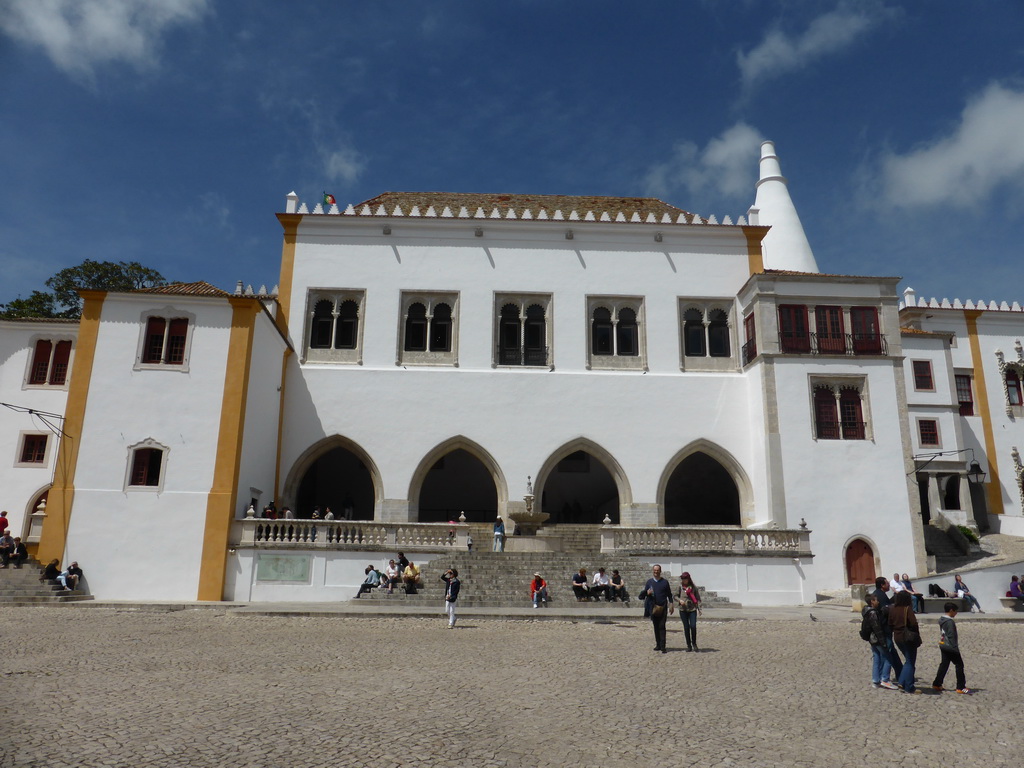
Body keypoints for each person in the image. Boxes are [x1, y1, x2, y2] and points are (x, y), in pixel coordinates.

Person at [860, 591, 901, 689]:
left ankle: (876, 680)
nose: (878, 602)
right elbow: (877, 629)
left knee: (877, 658)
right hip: (877, 639)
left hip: (872, 639)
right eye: (876, 600)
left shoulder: (866, 611)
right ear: (872, 602)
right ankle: (885, 679)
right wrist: (883, 642)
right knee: (888, 658)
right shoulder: (873, 613)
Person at [932, 602, 971, 694]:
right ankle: (960, 687)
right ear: (951, 611)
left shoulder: (942, 620)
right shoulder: (950, 622)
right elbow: (951, 635)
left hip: (943, 644)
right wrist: (955, 648)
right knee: (959, 665)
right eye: (955, 611)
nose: (956, 613)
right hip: (950, 646)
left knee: (944, 664)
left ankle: (937, 683)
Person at [888, 590, 921, 693]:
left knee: (908, 660)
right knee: (910, 662)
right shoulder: (907, 609)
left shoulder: (892, 609)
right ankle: (909, 686)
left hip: (897, 637)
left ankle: (902, 682)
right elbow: (913, 623)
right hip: (907, 637)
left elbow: (890, 623)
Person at [642, 565, 674, 653]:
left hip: (663, 607)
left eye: (657, 570)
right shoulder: (649, 582)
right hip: (653, 608)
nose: (656, 572)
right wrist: (647, 593)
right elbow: (643, 595)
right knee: (656, 626)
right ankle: (658, 644)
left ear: (660, 571)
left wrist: (671, 604)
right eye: (654, 570)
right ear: (653, 571)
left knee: (662, 626)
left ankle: (663, 645)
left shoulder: (665, 582)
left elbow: (669, 594)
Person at [676, 572, 702, 652]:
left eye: (685, 578)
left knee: (693, 626)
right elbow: (675, 596)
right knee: (686, 627)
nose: (684, 580)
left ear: (688, 579)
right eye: (683, 579)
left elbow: (698, 598)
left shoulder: (693, 587)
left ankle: (694, 643)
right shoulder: (680, 587)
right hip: (683, 609)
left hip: (692, 609)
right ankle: (689, 645)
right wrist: (679, 600)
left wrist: (699, 608)